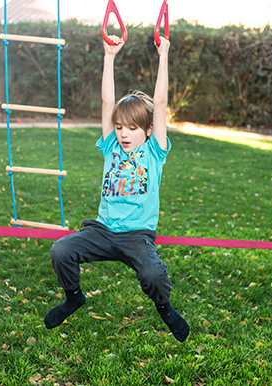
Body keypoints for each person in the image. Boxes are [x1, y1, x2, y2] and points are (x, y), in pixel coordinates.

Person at [43, 34, 189, 343]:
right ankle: (73, 298)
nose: (123, 134)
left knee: (153, 275)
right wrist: (109, 56)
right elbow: (107, 102)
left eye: (132, 128)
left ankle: (165, 309)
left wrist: (164, 55)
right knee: (61, 251)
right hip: (102, 230)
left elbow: (160, 104)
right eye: (120, 127)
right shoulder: (111, 146)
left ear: (148, 131)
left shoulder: (154, 151)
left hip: (136, 234)